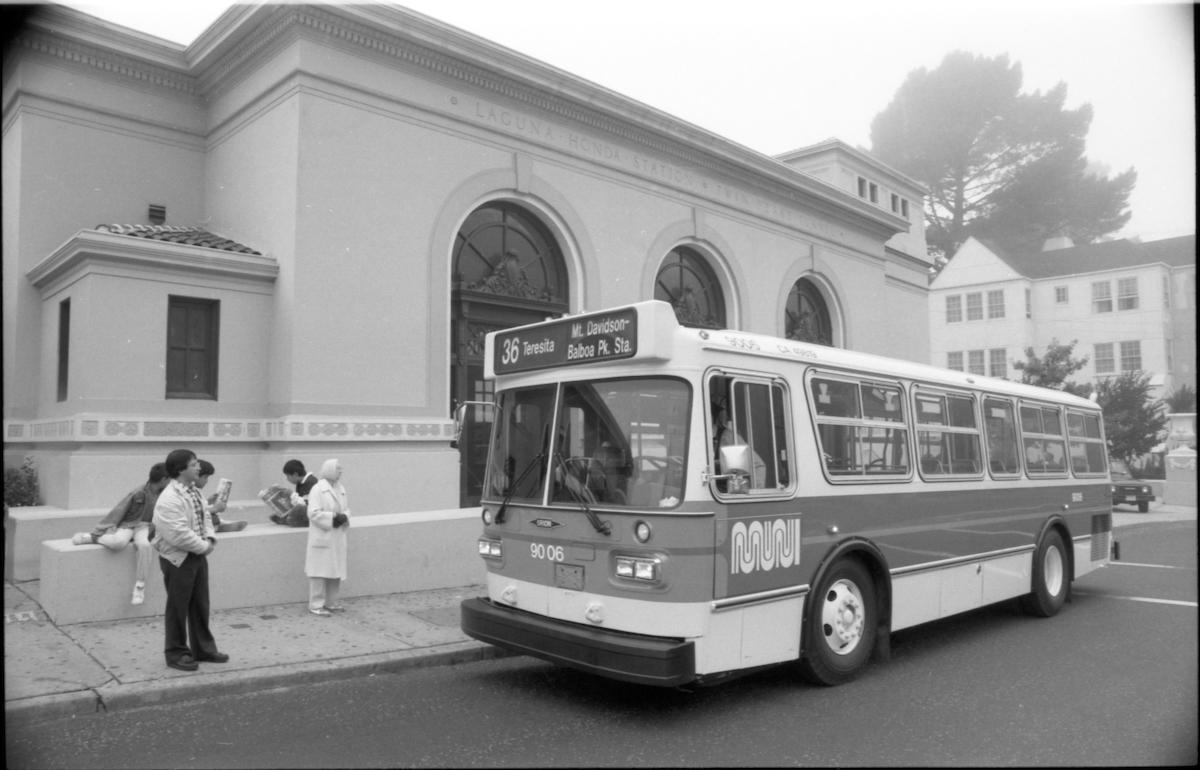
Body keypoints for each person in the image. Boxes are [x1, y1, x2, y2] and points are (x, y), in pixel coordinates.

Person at [153, 448, 229, 671]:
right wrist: (204, 546)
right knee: (178, 608)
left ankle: (203, 649)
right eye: (194, 464)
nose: (199, 467)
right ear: (181, 469)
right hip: (178, 558)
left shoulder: (193, 490)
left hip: (196, 554)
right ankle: (176, 653)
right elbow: (177, 534)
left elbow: (204, 516)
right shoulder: (169, 498)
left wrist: (210, 538)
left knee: (200, 604)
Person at [71, 462, 168, 605]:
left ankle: (140, 587)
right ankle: (93, 538)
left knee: (145, 546)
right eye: (170, 478)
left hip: (144, 528)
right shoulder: (138, 493)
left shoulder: (164, 494)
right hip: (128, 525)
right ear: (163, 479)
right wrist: (100, 529)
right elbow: (119, 510)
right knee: (118, 543)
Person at [305, 458, 350, 617]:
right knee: (318, 573)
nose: (340, 471)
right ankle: (316, 605)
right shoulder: (317, 489)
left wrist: (344, 517)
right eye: (338, 468)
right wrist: (332, 518)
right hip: (323, 536)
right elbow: (313, 513)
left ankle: (332, 602)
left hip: (336, 536)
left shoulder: (340, 487)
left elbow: (346, 508)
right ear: (330, 469)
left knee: (335, 571)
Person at [196, 459, 247, 532]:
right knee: (211, 516)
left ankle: (218, 524)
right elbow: (194, 512)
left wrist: (208, 501)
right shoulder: (186, 492)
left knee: (213, 516)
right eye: (205, 477)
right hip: (194, 525)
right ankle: (216, 526)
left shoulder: (195, 491)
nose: (207, 481)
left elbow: (200, 506)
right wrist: (215, 509)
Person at [271, 459, 318, 527]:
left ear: (295, 474)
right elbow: (299, 500)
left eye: (288, 476)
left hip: (313, 512)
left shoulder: (310, 482)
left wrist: (291, 494)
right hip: (307, 510)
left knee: (299, 510)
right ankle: (287, 518)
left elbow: (306, 504)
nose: (287, 479)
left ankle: (288, 520)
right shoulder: (300, 483)